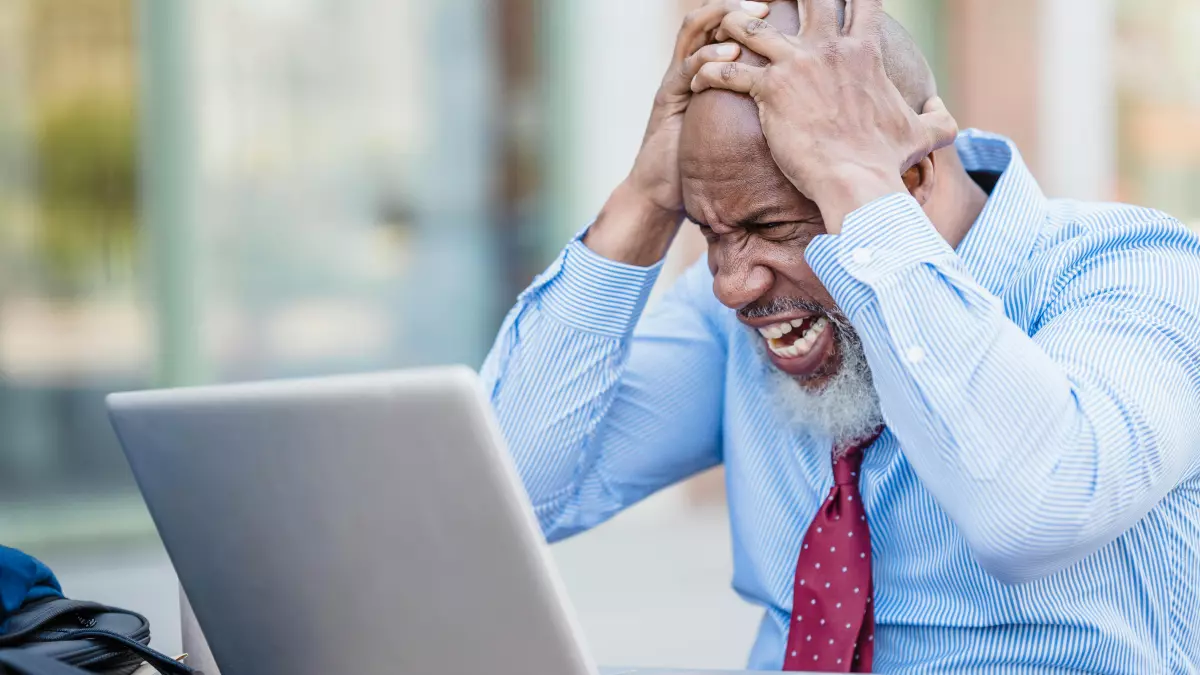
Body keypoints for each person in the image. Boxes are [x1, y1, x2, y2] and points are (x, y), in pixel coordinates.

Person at [481, 0, 1200, 671]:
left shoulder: (1137, 272)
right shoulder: (742, 303)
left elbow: (1033, 510)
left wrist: (860, 191)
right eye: (709, 232)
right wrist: (642, 199)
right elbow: (503, 499)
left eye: (773, 228)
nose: (733, 284)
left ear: (912, 176)